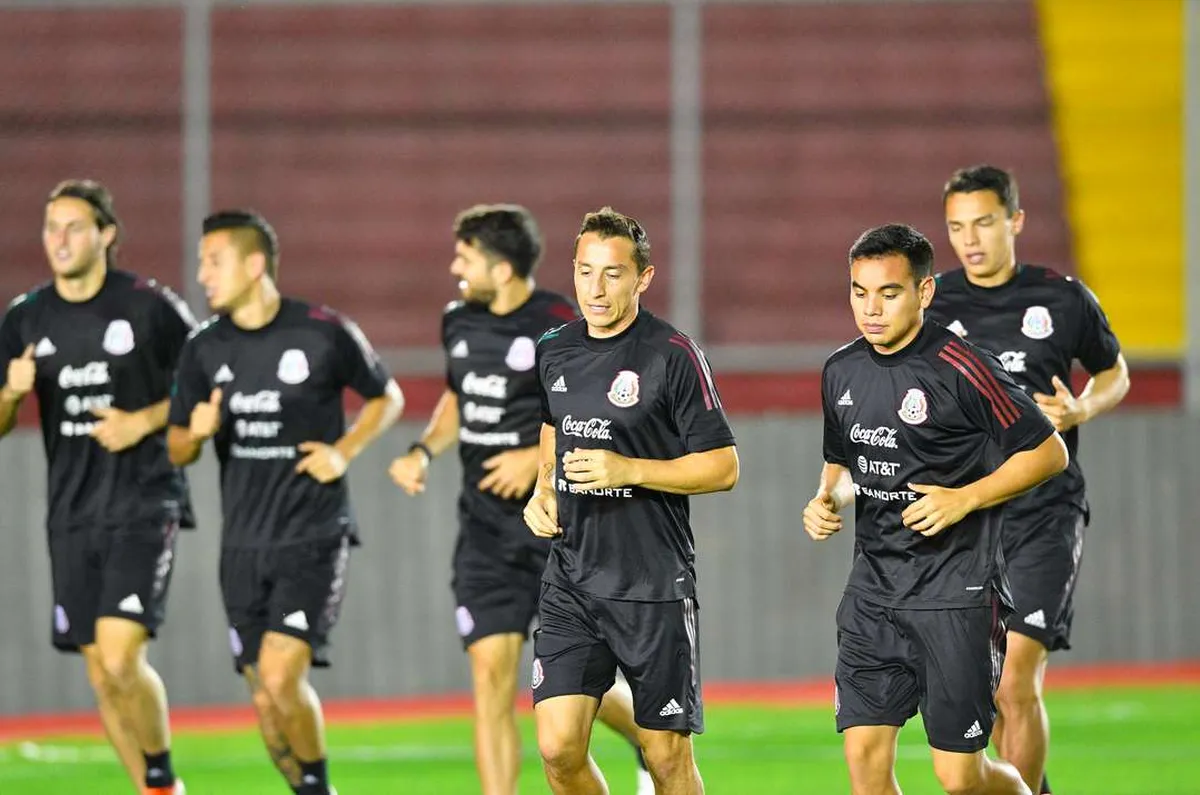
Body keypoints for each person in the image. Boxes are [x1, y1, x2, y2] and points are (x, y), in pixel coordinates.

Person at [388, 204, 654, 795]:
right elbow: (460, 397)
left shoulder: (561, 323)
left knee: (575, 679)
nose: (455, 267)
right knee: (490, 678)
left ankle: (643, 733)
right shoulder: (458, 320)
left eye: (465, 256)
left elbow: (602, 411)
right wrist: (423, 450)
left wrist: (535, 461)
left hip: (556, 527)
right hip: (483, 532)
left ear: (501, 267)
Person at [803, 223, 1069, 795]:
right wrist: (827, 499)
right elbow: (844, 462)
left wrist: (964, 498)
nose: (870, 308)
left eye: (889, 292)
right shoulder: (840, 370)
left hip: (957, 595)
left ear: (923, 293)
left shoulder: (964, 367)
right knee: (866, 767)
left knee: (960, 778)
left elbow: (1050, 452)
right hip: (873, 596)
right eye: (859, 291)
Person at [167, 210, 404, 795]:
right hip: (243, 545)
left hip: (313, 533)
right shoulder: (202, 349)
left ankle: (321, 787)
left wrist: (343, 452)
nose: (202, 275)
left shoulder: (322, 330)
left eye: (213, 261)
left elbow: (386, 397)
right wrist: (195, 431)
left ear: (254, 265)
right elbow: (176, 449)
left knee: (279, 673)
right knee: (264, 696)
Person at [927, 165, 1130, 794]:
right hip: (971, 517)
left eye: (984, 222)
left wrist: (1083, 408)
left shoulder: (1064, 298)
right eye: (957, 227)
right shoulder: (935, 302)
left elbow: (1114, 372)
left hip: (1046, 512)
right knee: (980, 692)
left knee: (1016, 677)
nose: (970, 239)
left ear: (1014, 221)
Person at [523, 207, 739, 795]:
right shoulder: (554, 350)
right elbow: (552, 428)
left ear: (643, 278)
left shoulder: (673, 354)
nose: (596, 287)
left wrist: (629, 469)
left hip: (652, 584)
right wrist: (543, 489)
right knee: (558, 747)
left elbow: (724, 467)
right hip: (571, 577)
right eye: (585, 271)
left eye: (613, 273)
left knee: (666, 758)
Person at [0, 180, 194, 795]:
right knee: (100, 674)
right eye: (51, 226)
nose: (59, 239)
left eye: (73, 227)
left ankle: (160, 765)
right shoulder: (26, 316)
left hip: (143, 498)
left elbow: (210, 384)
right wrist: (11, 391)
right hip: (70, 512)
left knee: (118, 656)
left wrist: (143, 420)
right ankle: (155, 789)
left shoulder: (149, 306)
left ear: (106, 235)